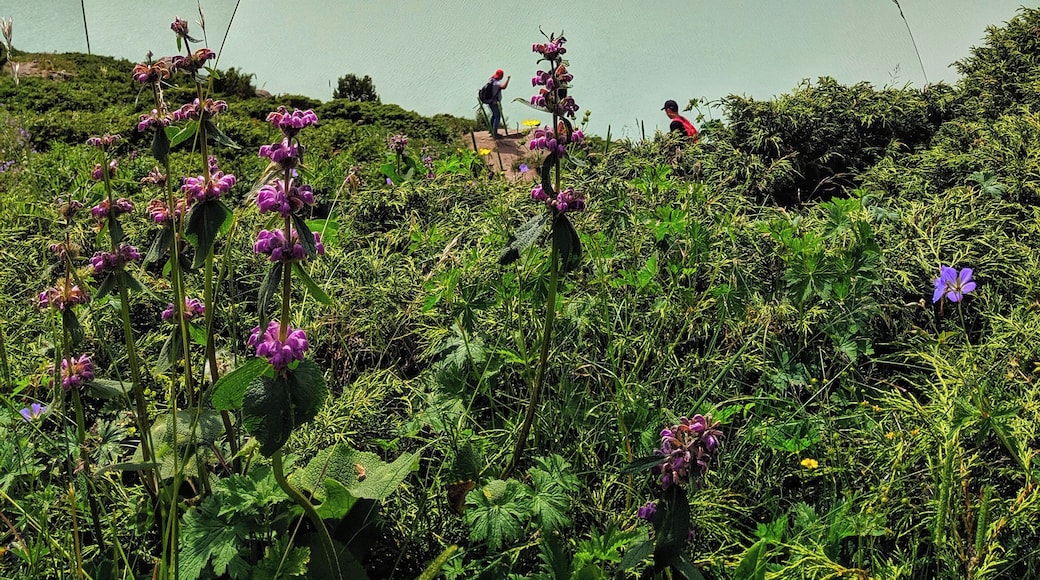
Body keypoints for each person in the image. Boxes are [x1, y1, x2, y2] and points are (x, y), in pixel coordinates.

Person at [488, 69, 510, 138]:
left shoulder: (491, 80)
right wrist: (508, 79)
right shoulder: (497, 83)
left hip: (489, 101)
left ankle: (491, 130)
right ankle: (495, 133)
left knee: (494, 115)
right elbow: (503, 87)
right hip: (494, 102)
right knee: (497, 116)